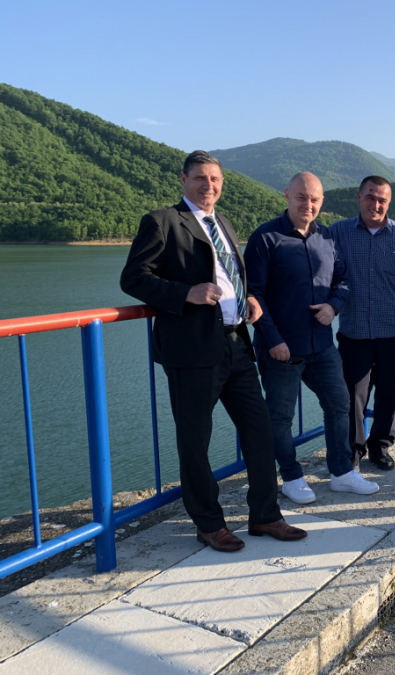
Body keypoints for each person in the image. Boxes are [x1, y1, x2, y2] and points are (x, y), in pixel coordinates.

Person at [120, 150, 305, 553]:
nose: (209, 186)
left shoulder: (223, 222)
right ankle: (208, 524)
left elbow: (230, 275)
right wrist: (185, 293)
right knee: (195, 441)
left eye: (215, 179)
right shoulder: (163, 222)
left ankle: (265, 515)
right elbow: (133, 278)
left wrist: (247, 298)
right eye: (201, 178)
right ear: (183, 179)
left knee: (259, 432)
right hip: (192, 350)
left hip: (236, 344)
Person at [244, 171, 379, 505]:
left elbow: (343, 280)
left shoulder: (327, 237)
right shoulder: (265, 238)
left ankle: (341, 472)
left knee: (340, 404)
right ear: (287, 195)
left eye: (314, 199)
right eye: (302, 197)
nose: (308, 204)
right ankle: (291, 478)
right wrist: (273, 339)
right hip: (281, 348)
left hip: (321, 344)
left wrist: (334, 306)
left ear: (322, 201)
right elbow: (252, 294)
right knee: (280, 417)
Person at [330, 176, 395, 472]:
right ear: (359, 197)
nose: (376, 204)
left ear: (389, 203)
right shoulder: (338, 232)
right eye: (370, 197)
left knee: (388, 394)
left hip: (394, 330)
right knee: (352, 396)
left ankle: (379, 446)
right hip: (354, 330)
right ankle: (353, 448)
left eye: (382, 199)